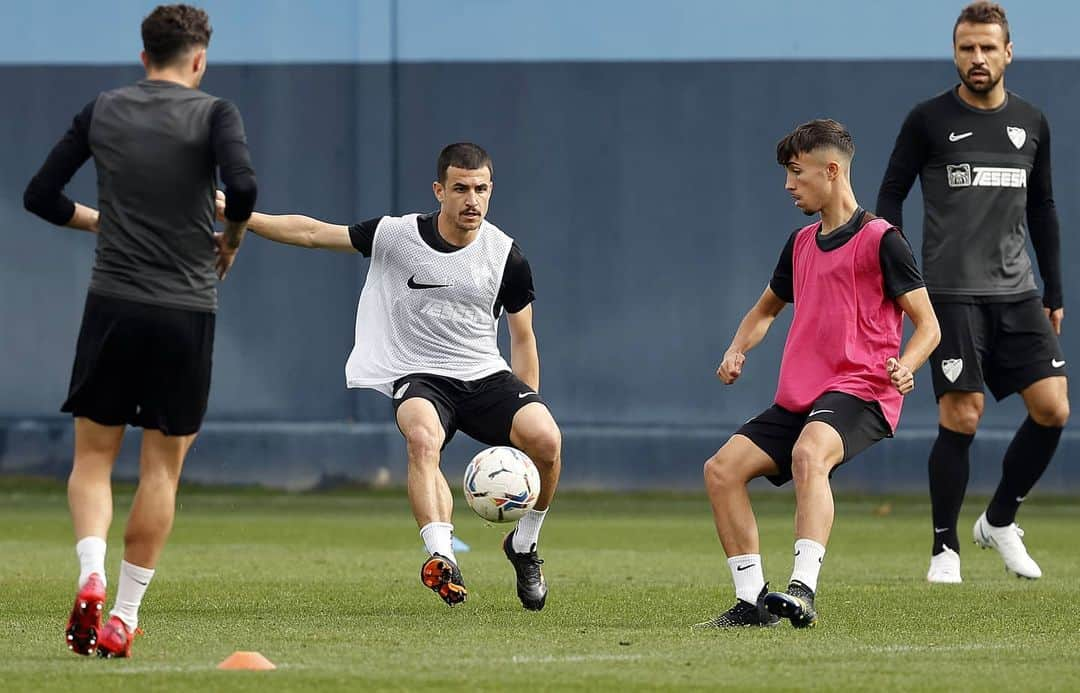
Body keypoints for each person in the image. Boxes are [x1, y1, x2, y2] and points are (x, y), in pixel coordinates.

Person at [216, 142, 560, 610]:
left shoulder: (505, 256)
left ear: (491, 190)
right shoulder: (396, 236)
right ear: (439, 190)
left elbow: (523, 338)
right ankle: (442, 557)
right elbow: (315, 233)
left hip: (484, 374)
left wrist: (526, 413)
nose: (471, 200)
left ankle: (524, 544)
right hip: (419, 374)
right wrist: (243, 217)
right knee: (422, 438)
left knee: (548, 442)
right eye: (460, 188)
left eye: (481, 189)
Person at [22, 4, 256, 657]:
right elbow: (243, 184)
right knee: (161, 470)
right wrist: (231, 239)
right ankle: (122, 612)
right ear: (199, 58)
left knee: (93, 459)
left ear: (143, 54)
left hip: (113, 308)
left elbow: (39, 194)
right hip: (186, 312)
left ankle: (90, 569)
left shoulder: (103, 109)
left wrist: (101, 222)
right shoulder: (216, 113)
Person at [695, 119, 940, 629]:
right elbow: (765, 310)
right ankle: (752, 602)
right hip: (801, 397)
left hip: (863, 389)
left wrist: (907, 364)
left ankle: (802, 589)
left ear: (831, 171)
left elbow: (928, 326)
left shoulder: (882, 240)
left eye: (796, 172)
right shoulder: (800, 243)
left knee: (810, 453)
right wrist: (737, 348)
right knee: (721, 472)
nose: (788, 185)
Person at [876, 1, 1068, 584]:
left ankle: (1001, 520)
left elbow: (1043, 207)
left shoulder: (1032, 121)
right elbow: (890, 195)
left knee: (1054, 409)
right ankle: (945, 549)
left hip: (1017, 292)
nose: (977, 58)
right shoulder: (928, 120)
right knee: (963, 414)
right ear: (955, 52)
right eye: (967, 48)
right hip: (950, 294)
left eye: (988, 47)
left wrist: (1053, 288)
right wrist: (900, 275)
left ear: (1009, 52)